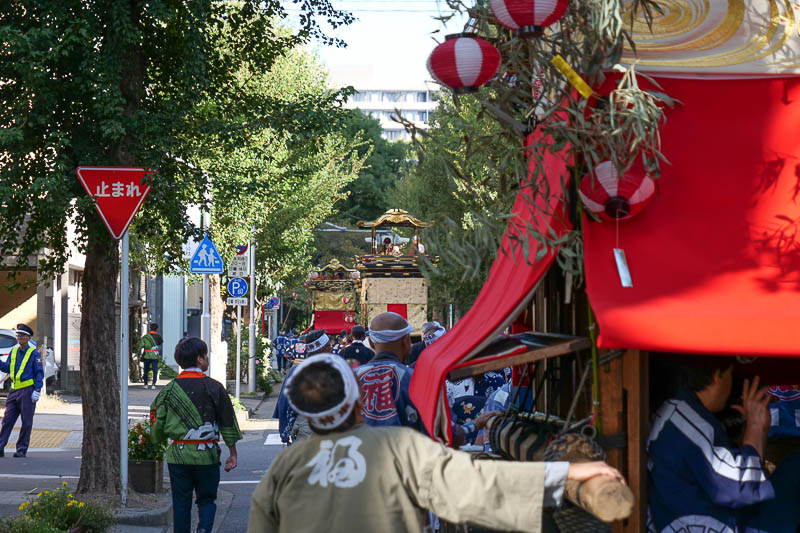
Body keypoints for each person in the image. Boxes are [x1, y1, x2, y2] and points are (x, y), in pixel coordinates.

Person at [248, 353, 624, 532]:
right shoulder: (398, 446)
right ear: (359, 400)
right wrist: (565, 473)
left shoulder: (284, 466)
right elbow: (478, 484)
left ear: (307, 414)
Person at [647, 357, 800, 533]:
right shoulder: (681, 419)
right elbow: (740, 487)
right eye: (731, 374)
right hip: (713, 525)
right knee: (795, 465)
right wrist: (755, 427)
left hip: (728, 519)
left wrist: (757, 429)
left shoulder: (684, 412)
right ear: (717, 376)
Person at [150, 338, 242, 533]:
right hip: (207, 455)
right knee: (207, 499)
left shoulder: (168, 390)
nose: (207, 359)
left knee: (181, 502)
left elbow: (156, 419)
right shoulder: (214, 387)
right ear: (199, 359)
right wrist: (232, 453)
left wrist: (156, 442)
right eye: (205, 355)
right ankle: (203, 530)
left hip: (178, 455)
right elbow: (228, 421)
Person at [273, 330, 332, 444]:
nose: (331, 348)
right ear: (322, 349)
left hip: (304, 424)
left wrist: (284, 430)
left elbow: (284, 402)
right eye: (329, 346)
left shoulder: (296, 370)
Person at [0, 324, 44, 458]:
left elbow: (39, 373)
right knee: (7, 420)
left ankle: (22, 449)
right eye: (18, 336)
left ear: (28, 338)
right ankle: (0, 447)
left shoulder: (34, 354)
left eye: (22, 336)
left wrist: (37, 390)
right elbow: (7, 368)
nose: (19, 338)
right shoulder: (13, 352)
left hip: (27, 391)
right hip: (14, 391)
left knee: (26, 422)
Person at [139, 323, 164, 389]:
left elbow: (141, 346)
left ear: (150, 328)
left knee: (146, 370)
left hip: (146, 355)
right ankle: (153, 384)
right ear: (156, 329)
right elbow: (160, 343)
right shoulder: (158, 337)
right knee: (155, 370)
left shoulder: (145, 337)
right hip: (155, 355)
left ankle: (146, 384)